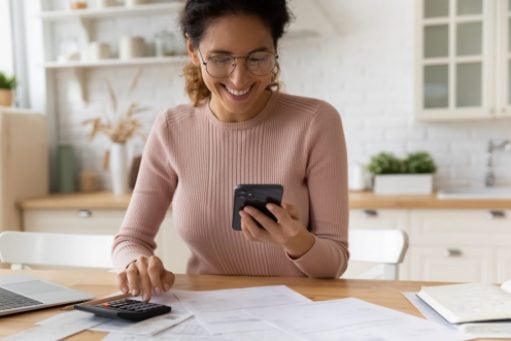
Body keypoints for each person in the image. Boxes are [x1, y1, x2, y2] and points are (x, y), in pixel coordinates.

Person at [112, 0, 349, 301]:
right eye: (220, 58)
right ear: (192, 51)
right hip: (207, 312)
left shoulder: (315, 122)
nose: (239, 79)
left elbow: (334, 261)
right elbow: (129, 240)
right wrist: (136, 263)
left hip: (297, 310)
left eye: (257, 58)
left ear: (275, 50)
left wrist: (297, 240)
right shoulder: (172, 128)